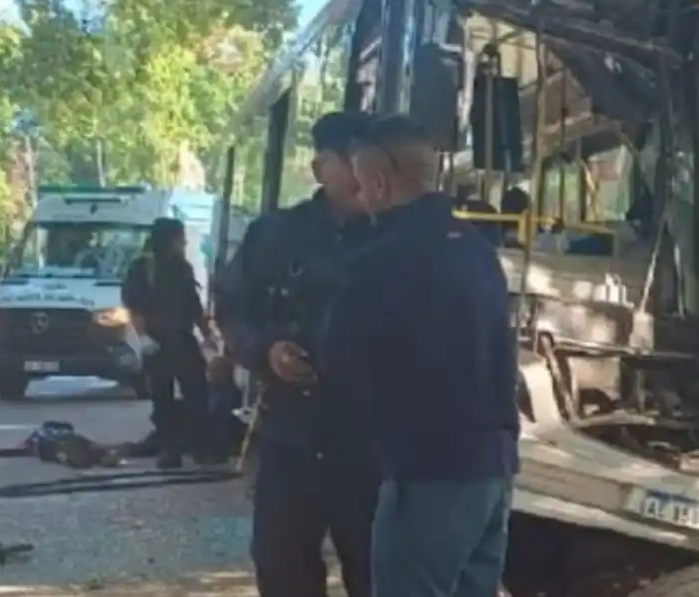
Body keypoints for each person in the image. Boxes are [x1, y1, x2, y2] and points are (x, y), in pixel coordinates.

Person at [323, 115, 519, 597]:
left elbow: (339, 365)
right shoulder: (478, 249)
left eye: (361, 181)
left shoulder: (379, 261)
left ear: (379, 182)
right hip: (494, 469)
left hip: (426, 472)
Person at [215, 111, 379, 597]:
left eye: (370, 162)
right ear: (319, 169)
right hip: (291, 433)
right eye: (348, 162)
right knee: (283, 564)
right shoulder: (275, 235)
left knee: (377, 570)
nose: (361, 175)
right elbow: (230, 307)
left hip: (372, 441)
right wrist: (267, 351)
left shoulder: (398, 237)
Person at [122, 218, 220, 469]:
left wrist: (207, 335)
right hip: (157, 342)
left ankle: (201, 447)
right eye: (180, 237)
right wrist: (143, 337)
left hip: (183, 340)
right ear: (168, 239)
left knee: (198, 394)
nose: (184, 242)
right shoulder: (143, 268)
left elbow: (194, 307)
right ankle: (170, 450)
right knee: (162, 399)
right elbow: (134, 307)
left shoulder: (182, 268)